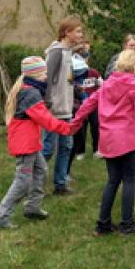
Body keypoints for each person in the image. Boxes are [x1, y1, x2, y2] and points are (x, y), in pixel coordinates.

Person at [69, 49, 135, 236]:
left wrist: (74, 124)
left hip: (108, 140)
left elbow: (88, 104)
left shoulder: (107, 84)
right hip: (126, 140)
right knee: (129, 180)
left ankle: (103, 225)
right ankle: (127, 224)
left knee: (112, 180)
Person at [0, 56, 74, 229]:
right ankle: (0, 217)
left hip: (31, 144)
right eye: (43, 72)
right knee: (22, 181)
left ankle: (32, 208)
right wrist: (67, 128)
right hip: (25, 145)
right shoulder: (31, 93)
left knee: (41, 171)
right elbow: (45, 119)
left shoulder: (29, 89)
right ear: (34, 74)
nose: (46, 76)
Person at [43, 15, 84, 195]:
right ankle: (32, 182)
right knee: (48, 148)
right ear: (67, 32)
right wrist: (47, 102)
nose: (81, 34)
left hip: (66, 109)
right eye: (78, 31)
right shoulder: (56, 52)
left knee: (66, 146)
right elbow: (47, 78)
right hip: (54, 110)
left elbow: (65, 79)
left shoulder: (68, 52)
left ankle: (60, 184)